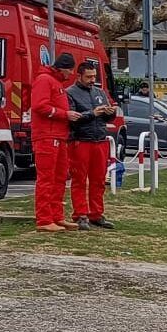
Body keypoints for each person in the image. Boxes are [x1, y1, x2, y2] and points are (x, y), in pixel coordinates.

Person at [64, 61, 119, 230]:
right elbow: (72, 119)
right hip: (81, 141)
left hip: (99, 140)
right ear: (79, 76)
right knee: (79, 180)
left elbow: (106, 118)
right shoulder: (70, 93)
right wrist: (92, 114)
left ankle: (96, 214)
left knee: (99, 180)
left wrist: (110, 113)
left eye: (94, 76)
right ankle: (80, 214)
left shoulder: (99, 92)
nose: (92, 80)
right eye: (88, 77)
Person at [29, 55, 78, 232]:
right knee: (47, 178)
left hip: (58, 136)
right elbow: (39, 106)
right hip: (47, 137)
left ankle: (56, 216)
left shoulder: (56, 83)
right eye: (70, 69)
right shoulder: (44, 80)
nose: (71, 73)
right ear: (61, 68)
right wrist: (64, 114)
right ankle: (44, 219)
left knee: (59, 178)